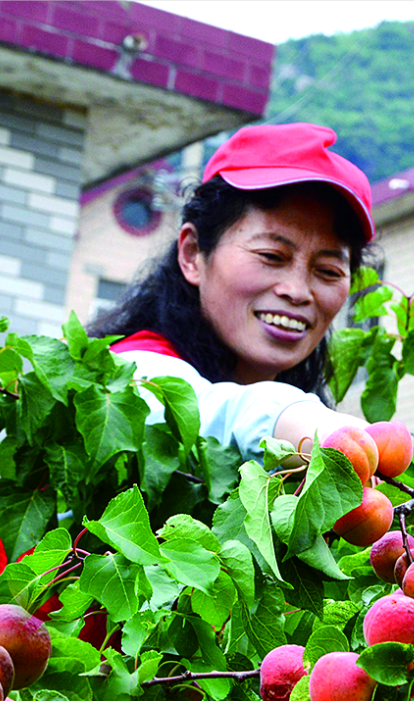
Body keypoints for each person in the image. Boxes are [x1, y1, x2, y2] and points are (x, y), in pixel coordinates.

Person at [89, 123, 377, 460]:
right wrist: (311, 427)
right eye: (271, 256)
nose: (297, 291)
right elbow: (211, 415)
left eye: (328, 271)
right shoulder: (130, 374)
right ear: (193, 254)